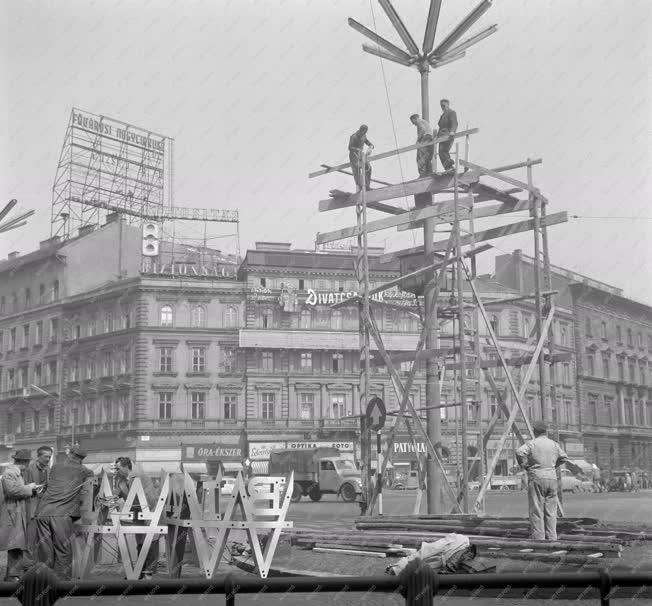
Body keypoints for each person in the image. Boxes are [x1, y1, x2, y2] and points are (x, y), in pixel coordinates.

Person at [515, 421, 582, 541]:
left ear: (535, 432)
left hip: (537, 476)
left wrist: (524, 465)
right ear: (546, 432)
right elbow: (564, 457)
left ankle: (539, 538)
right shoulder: (554, 444)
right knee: (551, 510)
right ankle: (552, 537)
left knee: (536, 509)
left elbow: (519, 452)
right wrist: (554, 466)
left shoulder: (533, 443)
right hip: (551, 478)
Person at [35, 445, 93, 580]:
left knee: (45, 550)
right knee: (62, 549)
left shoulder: (55, 467)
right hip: (61, 514)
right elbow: (90, 487)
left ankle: (45, 581)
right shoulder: (84, 471)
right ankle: (61, 583)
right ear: (82, 459)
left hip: (42, 512)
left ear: (69, 454)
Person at [113, 457, 159, 580]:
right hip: (138, 512)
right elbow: (118, 494)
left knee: (149, 542)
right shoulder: (123, 479)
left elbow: (150, 499)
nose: (117, 470)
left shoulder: (139, 476)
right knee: (140, 543)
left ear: (125, 466)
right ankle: (138, 572)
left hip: (149, 511)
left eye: (118, 468)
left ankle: (148, 573)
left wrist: (126, 504)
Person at [0, 450, 42, 581]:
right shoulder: (9, 473)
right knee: (14, 546)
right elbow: (11, 491)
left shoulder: (17, 474)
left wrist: (33, 490)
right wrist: (30, 487)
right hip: (12, 514)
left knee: (17, 546)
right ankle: (12, 577)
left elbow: (19, 492)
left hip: (18, 514)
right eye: (28, 461)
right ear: (24, 462)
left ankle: (12, 576)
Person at [24, 446, 53, 561]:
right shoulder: (29, 469)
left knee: (41, 540)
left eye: (50, 457)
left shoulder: (48, 469)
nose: (48, 459)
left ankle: (37, 564)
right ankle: (27, 567)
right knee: (30, 539)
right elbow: (24, 489)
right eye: (46, 457)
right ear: (38, 456)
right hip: (31, 509)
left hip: (43, 509)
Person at [348, 125, 374, 192]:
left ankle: (366, 186)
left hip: (360, 155)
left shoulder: (364, 136)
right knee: (357, 171)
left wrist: (371, 146)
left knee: (368, 168)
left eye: (365, 132)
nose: (364, 133)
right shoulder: (354, 136)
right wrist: (357, 149)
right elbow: (350, 147)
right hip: (353, 156)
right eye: (363, 132)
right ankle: (359, 187)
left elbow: (368, 142)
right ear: (360, 130)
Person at [436, 99, 458, 172]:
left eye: (444, 105)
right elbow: (440, 127)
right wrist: (437, 136)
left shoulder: (451, 112)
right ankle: (448, 168)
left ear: (448, 105)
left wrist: (452, 132)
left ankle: (450, 167)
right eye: (441, 106)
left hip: (448, 135)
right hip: (441, 137)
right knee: (440, 152)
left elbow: (454, 123)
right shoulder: (442, 115)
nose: (443, 107)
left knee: (444, 151)